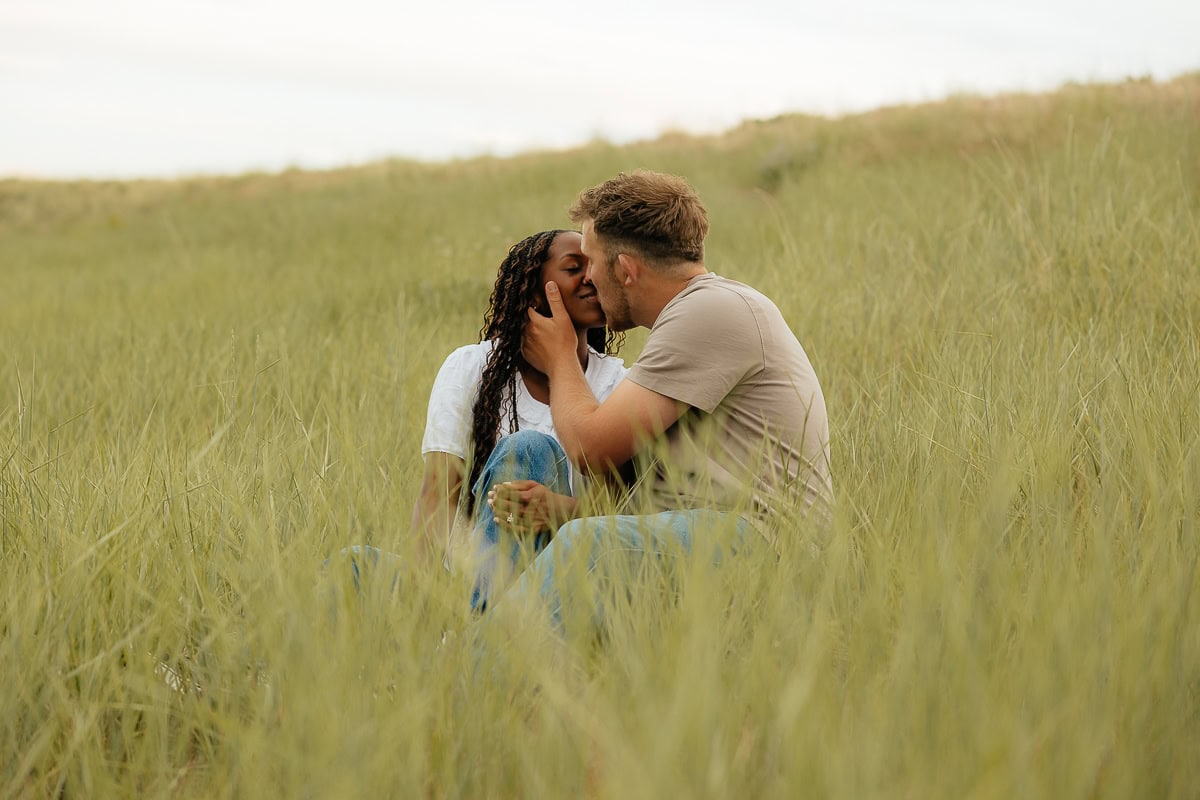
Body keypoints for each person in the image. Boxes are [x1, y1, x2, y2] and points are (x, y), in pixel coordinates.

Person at [491, 170, 832, 627]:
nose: (588, 278)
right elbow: (651, 494)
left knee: (590, 544)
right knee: (543, 478)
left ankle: (465, 672)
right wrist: (564, 510)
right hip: (704, 531)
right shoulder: (692, 317)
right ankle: (484, 640)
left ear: (627, 269)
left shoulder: (710, 310)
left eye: (590, 262)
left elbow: (591, 448)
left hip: (759, 541)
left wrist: (558, 359)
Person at [410, 229, 627, 610]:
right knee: (353, 564)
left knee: (528, 450)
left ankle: (482, 639)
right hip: (464, 578)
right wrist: (424, 602)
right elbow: (437, 498)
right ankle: (464, 626)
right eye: (573, 267)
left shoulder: (619, 385)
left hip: (565, 587)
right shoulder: (472, 367)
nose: (590, 277)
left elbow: (626, 512)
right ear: (532, 290)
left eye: (593, 266)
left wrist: (560, 511)